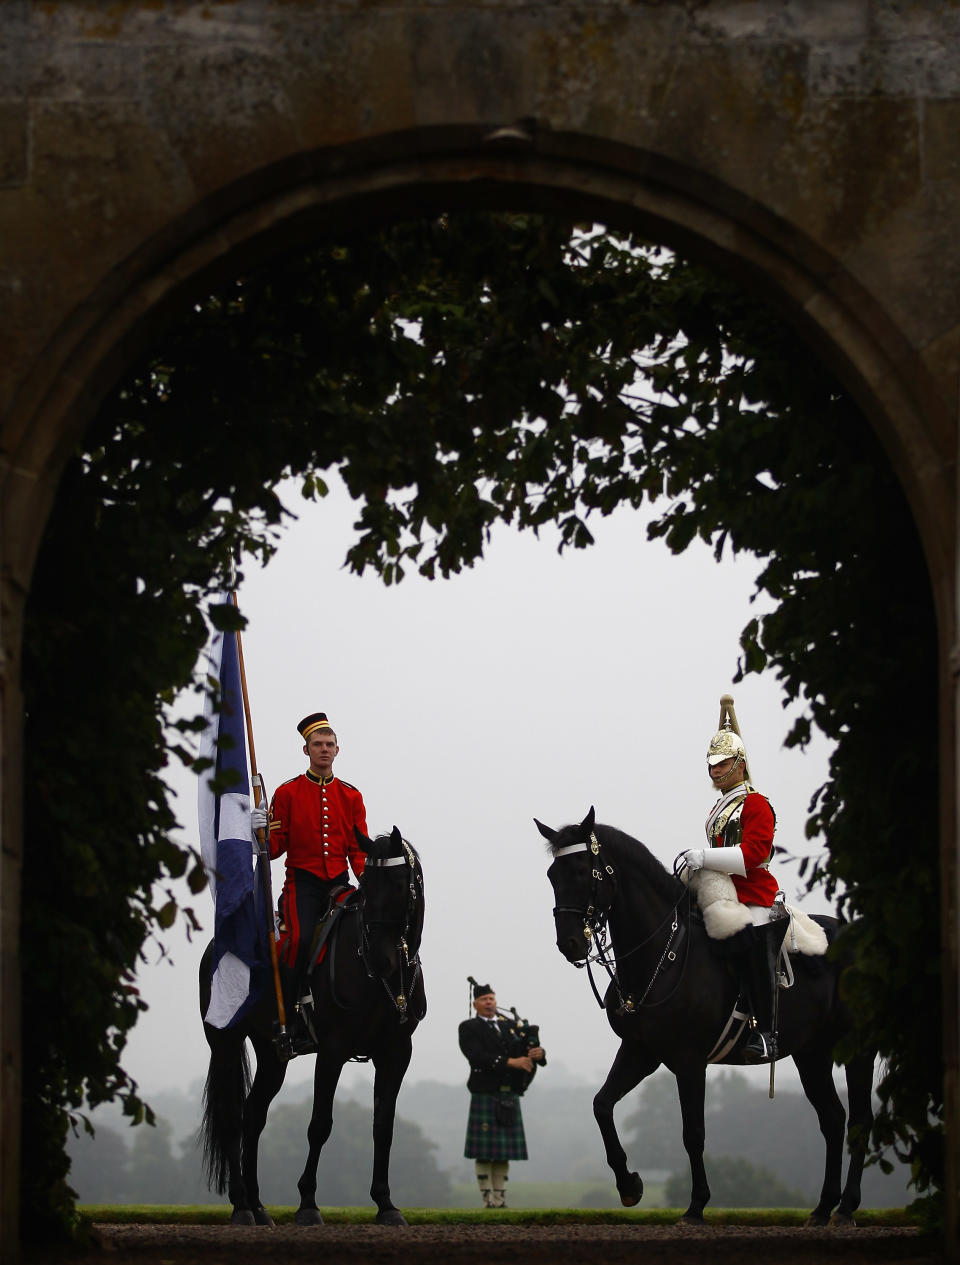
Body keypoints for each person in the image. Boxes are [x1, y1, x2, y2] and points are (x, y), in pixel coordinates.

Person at [250, 711, 368, 1057]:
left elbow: (358, 851)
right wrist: (258, 833)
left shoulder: (351, 796)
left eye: (329, 744)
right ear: (306, 750)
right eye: (318, 744)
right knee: (298, 940)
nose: (324, 750)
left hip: (339, 884)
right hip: (302, 884)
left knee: (362, 937)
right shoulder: (287, 792)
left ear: (337, 749)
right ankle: (288, 1020)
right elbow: (274, 849)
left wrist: (369, 886)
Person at [680, 701, 787, 1064]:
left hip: (753, 894)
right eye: (711, 764)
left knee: (752, 945)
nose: (715, 770)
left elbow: (754, 854)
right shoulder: (720, 806)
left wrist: (704, 857)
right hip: (722, 892)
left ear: (739, 764)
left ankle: (766, 1031)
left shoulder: (756, 804)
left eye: (722, 764)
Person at [458, 982, 546, 1209]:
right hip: (484, 1093)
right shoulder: (468, 1027)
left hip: (508, 1094)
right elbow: (476, 1056)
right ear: (475, 1004)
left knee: (502, 1154)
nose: (489, 1002)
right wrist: (511, 1062)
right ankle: (487, 1200)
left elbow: (523, 1052)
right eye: (484, 999)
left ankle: (500, 1199)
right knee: (484, 1153)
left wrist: (537, 1053)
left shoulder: (509, 1028)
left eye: (492, 999)